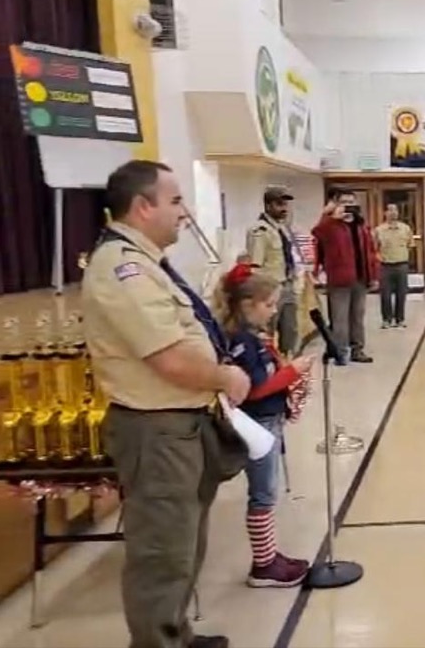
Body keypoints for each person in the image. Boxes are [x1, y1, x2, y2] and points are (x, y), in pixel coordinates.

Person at [82, 159, 251, 648]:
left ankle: (175, 632)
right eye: (175, 200)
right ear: (142, 206)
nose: (184, 212)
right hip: (156, 430)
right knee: (161, 553)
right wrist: (224, 376)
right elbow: (169, 359)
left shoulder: (148, 263)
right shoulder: (122, 267)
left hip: (182, 423)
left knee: (184, 543)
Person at [213, 263, 312, 587]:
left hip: (270, 419)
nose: (272, 312)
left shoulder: (253, 336)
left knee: (267, 492)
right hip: (259, 423)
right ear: (246, 304)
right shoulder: (243, 341)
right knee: (264, 495)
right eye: (268, 305)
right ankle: (264, 564)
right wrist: (292, 371)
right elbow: (255, 387)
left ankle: (268, 554)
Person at [312, 188, 378, 364]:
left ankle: (358, 350)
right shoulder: (330, 226)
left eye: (352, 202)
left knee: (357, 317)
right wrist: (329, 216)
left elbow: (371, 252)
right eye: (344, 202)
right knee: (339, 319)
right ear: (337, 204)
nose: (349, 206)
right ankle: (340, 352)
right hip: (339, 279)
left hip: (360, 277)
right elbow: (317, 233)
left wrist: (373, 276)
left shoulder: (362, 226)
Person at [246, 186, 300, 356]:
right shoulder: (260, 231)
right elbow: (255, 266)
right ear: (268, 206)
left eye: (285, 204)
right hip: (270, 288)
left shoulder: (282, 228)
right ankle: (268, 366)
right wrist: (260, 295)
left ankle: (287, 362)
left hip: (288, 284)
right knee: (267, 330)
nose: (284, 208)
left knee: (290, 330)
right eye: (279, 204)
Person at [373, 202, 415, 329]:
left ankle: (400, 320)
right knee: (385, 294)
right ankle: (386, 320)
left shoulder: (405, 228)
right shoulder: (378, 230)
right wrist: (379, 258)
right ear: (385, 213)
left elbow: (410, 245)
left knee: (401, 294)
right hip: (385, 266)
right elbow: (374, 249)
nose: (393, 212)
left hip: (401, 265)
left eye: (395, 210)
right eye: (390, 210)